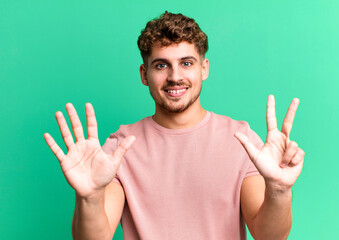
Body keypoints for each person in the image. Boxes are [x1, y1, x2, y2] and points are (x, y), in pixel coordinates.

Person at [44, 11, 305, 240]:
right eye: (161, 65)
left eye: (186, 63)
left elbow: (269, 236)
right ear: (144, 75)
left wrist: (279, 190)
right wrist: (89, 198)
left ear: (204, 68)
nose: (175, 76)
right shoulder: (120, 146)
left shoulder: (241, 140)